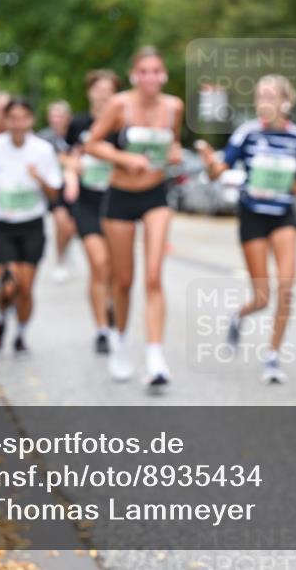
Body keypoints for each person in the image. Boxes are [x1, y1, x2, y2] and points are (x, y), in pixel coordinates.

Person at [196, 75, 296, 385]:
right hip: (252, 218)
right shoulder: (246, 134)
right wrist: (209, 161)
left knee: (286, 288)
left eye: (271, 96)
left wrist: (285, 193)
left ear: (286, 102)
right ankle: (238, 316)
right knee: (262, 297)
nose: (264, 103)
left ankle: (272, 356)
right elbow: (221, 171)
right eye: (260, 97)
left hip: (283, 217)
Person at [86, 47, 183, 388]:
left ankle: (156, 358)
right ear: (133, 75)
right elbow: (92, 144)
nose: (150, 78)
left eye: (156, 71)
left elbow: (173, 147)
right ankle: (120, 342)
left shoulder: (173, 107)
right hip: (121, 196)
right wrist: (123, 158)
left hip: (155, 195)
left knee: (154, 276)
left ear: (164, 75)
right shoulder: (119, 106)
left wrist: (173, 154)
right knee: (123, 280)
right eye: (144, 71)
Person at [0, 98, 62, 354]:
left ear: (31, 120)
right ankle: (1, 319)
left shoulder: (43, 150)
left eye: (24, 117)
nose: (18, 123)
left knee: (25, 288)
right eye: (13, 117)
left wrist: (39, 179)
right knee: (9, 286)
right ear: (5, 120)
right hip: (1, 224)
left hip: (32, 224)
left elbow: (55, 193)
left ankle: (21, 334)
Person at [65, 69, 121, 354]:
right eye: (99, 90)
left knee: (114, 269)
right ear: (90, 92)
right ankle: (101, 329)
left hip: (115, 203)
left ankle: (110, 306)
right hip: (86, 203)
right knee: (98, 264)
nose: (103, 96)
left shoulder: (122, 126)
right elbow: (66, 155)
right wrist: (72, 172)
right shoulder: (78, 124)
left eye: (109, 91)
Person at [37, 100, 77, 283]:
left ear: (68, 117)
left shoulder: (75, 134)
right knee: (62, 223)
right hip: (54, 189)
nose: (56, 119)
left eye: (60, 115)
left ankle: (65, 251)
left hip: (75, 188)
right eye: (53, 115)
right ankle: (60, 260)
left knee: (71, 227)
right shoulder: (43, 138)